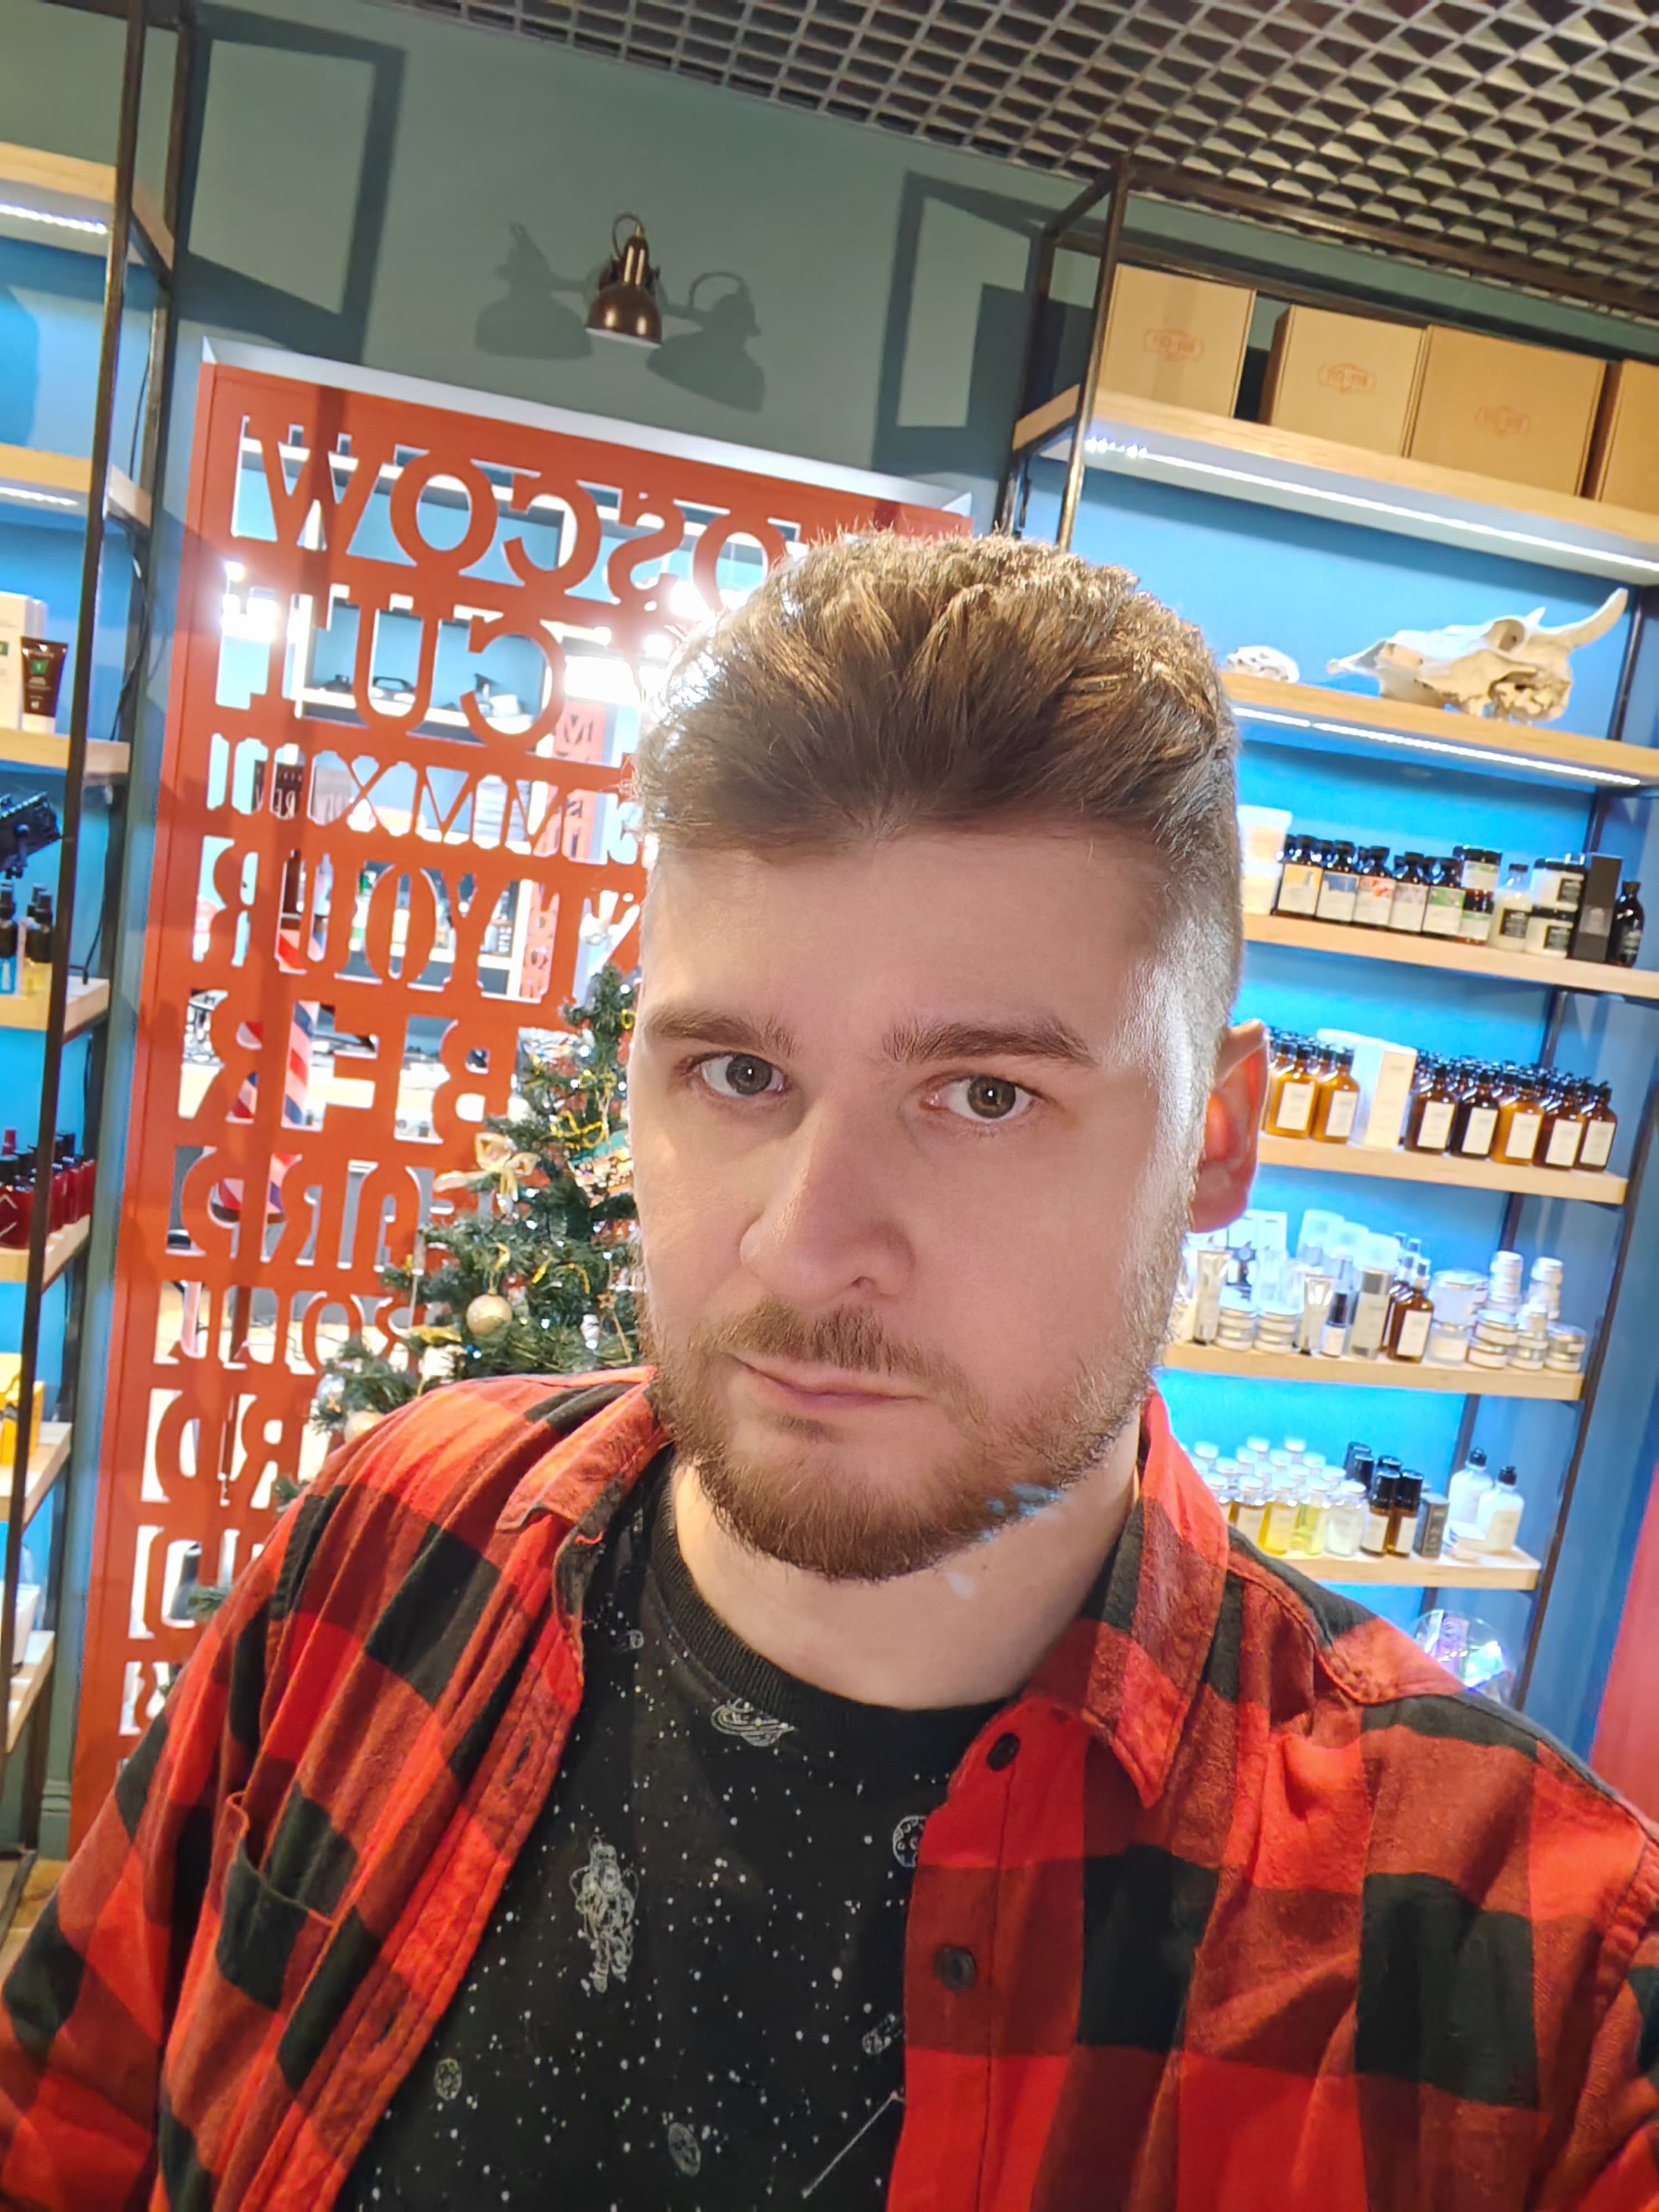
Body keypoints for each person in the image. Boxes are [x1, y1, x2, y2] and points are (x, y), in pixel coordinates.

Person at [1, 533, 1655, 2212]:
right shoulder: (392, 1538)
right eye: (738, 1072)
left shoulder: (1529, 1983)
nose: (806, 1249)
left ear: (1216, 1138)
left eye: (986, 1095)